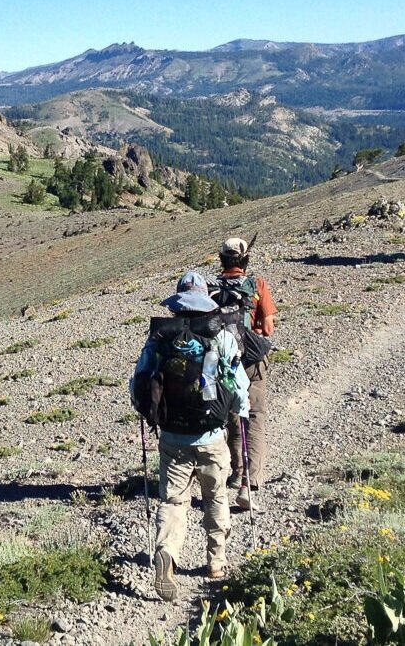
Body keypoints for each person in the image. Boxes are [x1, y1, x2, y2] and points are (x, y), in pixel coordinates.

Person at [130, 271, 249, 600]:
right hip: (211, 433)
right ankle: (216, 561)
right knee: (216, 496)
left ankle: (167, 551)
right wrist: (240, 410)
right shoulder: (219, 333)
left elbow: (138, 383)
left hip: (172, 436)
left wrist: (147, 411)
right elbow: (238, 384)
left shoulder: (160, 337)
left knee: (174, 500)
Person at [216, 237, 277, 512]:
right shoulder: (257, 285)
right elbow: (268, 327)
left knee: (231, 415)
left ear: (223, 259)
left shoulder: (212, 288)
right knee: (254, 416)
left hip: (224, 360)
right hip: (252, 361)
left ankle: (237, 470)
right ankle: (250, 481)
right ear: (244, 259)